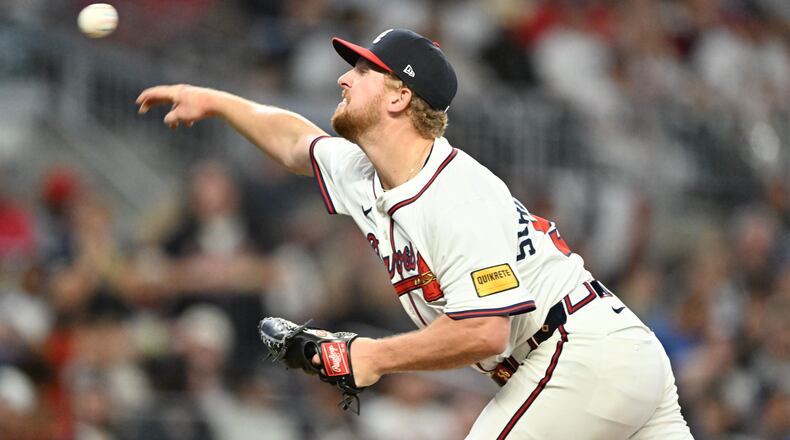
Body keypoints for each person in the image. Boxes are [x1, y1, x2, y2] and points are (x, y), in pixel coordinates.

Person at [136, 28, 693, 439]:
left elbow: (485, 333)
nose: (343, 77)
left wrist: (372, 357)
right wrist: (216, 101)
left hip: (576, 351)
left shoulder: (454, 195)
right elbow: (293, 142)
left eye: (362, 70)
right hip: (602, 357)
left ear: (400, 97)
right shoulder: (368, 173)